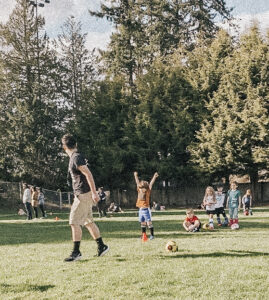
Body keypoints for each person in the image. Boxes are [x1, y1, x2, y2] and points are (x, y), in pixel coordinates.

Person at [62, 134, 109, 262]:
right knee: (88, 221)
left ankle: (76, 252)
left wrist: (94, 193)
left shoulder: (76, 157)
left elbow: (88, 174)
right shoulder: (75, 157)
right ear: (75, 144)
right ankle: (102, 246)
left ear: (64, 147)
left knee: (74, 221)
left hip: (83, 194)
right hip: (83, 193)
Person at [134, 171, 159, 240]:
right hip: (141, 210)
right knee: (142, 223)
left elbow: (151, 183)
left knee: (149, 222)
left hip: (146, 209)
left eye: (142, 187)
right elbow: (137, 182)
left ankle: (152, 235)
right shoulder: (139, 190)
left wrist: (154, 176)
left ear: (145, 187)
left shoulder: (148, 190)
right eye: (140, 187)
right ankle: (143, 235)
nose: (141, 188)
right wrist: (135, 175)